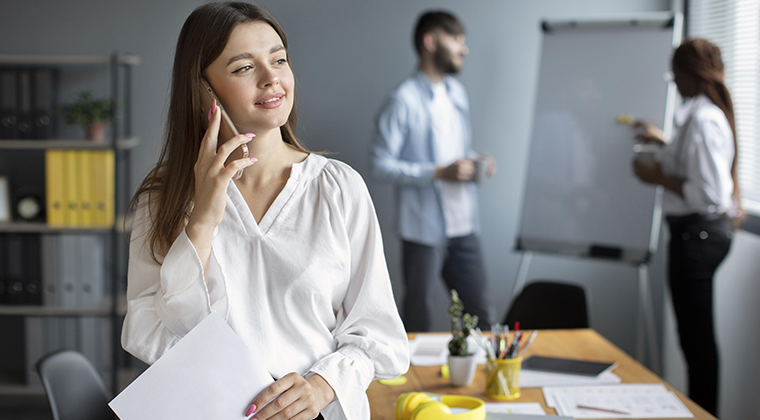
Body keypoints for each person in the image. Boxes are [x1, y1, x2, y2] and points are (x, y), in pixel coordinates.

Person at [121, 3, 409, 420]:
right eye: (243, 68)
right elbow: (149, 335)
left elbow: (381, 336)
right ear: (203, 89)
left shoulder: (338, 188)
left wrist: (321, 386)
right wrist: (202, 220)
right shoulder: (162, 198)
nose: (271, 77)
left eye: (279, 60)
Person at [632, 38, 740, 417]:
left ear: (687, 75)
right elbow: (698, 166)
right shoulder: (701, 116)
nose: (674, 83)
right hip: (702, 234)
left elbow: (706, 191)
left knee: (696, 344)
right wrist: (663, 143)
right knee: (695, 341)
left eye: (675, 74)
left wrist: (656, 176)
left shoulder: (702, 119)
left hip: (698, 234)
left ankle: (705, 413)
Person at [369, 10, 495, 332]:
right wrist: (438, 173)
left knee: (481, 312)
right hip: (423, 230)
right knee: (418, 317)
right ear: (430, 41)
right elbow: (379, 164)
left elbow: (456, 151)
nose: (463, 49)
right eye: (456, 40)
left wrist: (475, 161)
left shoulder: (457, 93)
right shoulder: (402, 101)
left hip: (464, 224)